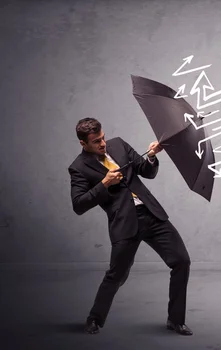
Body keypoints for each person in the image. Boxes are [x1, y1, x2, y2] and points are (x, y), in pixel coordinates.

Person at [68, 117, 193, 336]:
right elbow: (78, 205)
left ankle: (175, 320)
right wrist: (105, 183)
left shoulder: (118, 144)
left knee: (181, 261)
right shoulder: (78, 168)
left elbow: (147, 171)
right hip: (124, 223)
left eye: (103, 137)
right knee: (117, 275)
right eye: (96, 141)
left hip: (151, 214)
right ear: (83, 144)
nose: (103, 143)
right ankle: (94, 319)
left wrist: (152, 155)